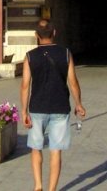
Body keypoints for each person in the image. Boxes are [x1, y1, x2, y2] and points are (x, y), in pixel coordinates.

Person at [20, 19, 86, 191]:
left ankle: (38, 186)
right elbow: (73, 82)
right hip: (60, 108)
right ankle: (51, 189)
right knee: (56, 151)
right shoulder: (65, 54)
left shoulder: (29, 56)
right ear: (54, 33)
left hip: (37, 108)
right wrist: (79, 104)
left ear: (36, 36)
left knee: (36, 148)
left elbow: (25, 85)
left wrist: (23, 111)